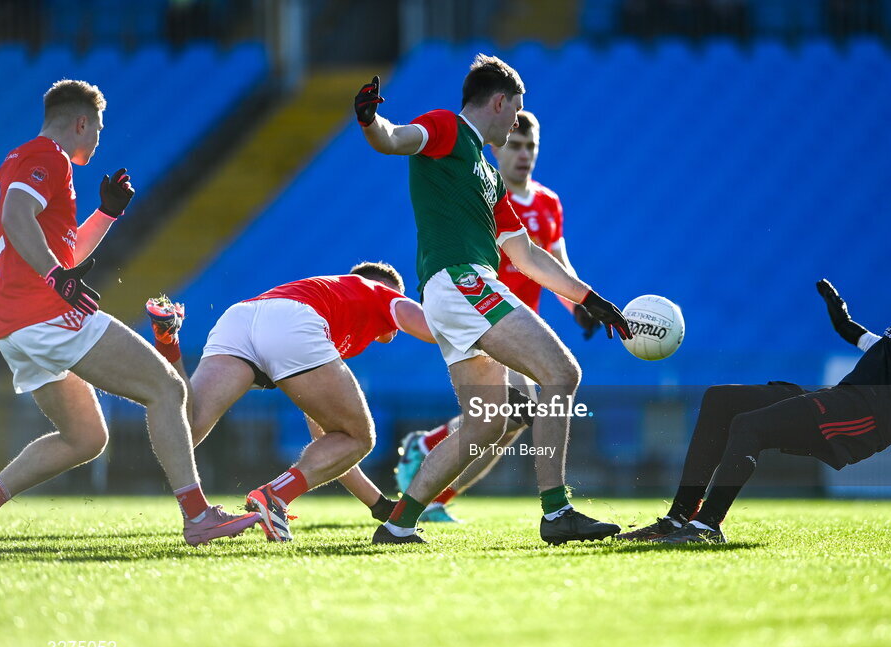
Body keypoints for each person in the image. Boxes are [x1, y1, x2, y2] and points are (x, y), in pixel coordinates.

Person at [355, 55, 632, 545]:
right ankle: (556, 512)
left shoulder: (487, 170)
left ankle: (398, 524)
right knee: (562, 373)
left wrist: (588, 298)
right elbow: (393, 139)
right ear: (499, 102)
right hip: (462, 281)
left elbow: (525, 254)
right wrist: (369, 119)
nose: (517, 121)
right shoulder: (446, 127)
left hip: (454, 290)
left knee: (488, 424)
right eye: (516, 109)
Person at [620, 198, 891, 544]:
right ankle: (678, 519)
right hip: (845, 398)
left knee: (749, 426)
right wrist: (849, 329)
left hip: (868, 417)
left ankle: (706, 528)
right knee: (721, 399)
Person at [0, 80, 260, 545]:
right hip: (44, 313)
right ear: (81, 122)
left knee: (85, 438)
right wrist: (56, 277)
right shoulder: (48, 157)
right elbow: (17, 217)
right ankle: (199, 516)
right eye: (97, 127)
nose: (98, 138)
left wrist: (106, 213)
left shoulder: (24, 159)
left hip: (15, 324)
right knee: (165, 387)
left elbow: (61, 246)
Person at [394, 109, 602, 523]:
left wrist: (578, 305)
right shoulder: (478, 188)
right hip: (482, 309)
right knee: (535, 395)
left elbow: (554, 262)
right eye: (516, 144)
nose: (523, 154)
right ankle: (553, 509)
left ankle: (424, 497)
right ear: (497, 146)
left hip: (510, 318)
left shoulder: (547, 203)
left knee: (500, 420)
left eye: (531, 146)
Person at [146, 262, 436, 542]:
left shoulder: (334, 305)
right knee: (360, 437)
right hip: (291, 324)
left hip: (239, 318)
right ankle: (274, 497)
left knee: (186, 430)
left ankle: (168, 344)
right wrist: (477, 328)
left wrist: (380, 506)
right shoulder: (378, 293)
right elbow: (431, 329)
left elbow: (326, 443)